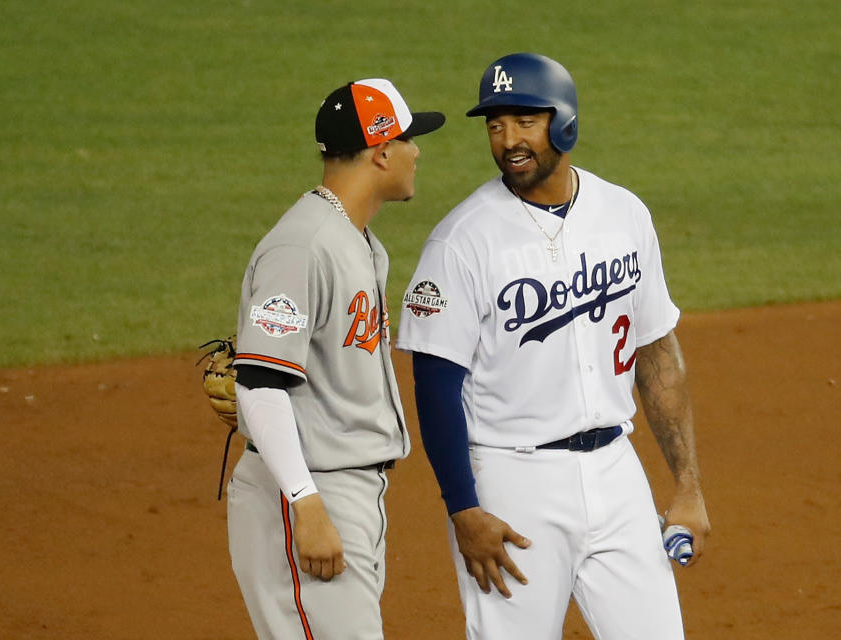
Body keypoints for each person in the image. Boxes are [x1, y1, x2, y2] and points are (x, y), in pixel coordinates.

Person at [396, 53, 710, 639]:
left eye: (524, 122)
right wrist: (464, 509)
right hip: (514, 484)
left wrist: (686, 484)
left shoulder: (623, 213)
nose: (508, 140)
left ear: (563, 122)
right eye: (495, 125)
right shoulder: (462, 240)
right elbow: (435, 385)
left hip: (618, 472)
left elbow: (656, 351)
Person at [227, 78, 444, 640]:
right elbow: (260, 382)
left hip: (350, 489)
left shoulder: (357, 241)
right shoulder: (304, 245)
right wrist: (306, 502)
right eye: (409, 140)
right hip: (310, 491)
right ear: (381, 151)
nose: (416, 152)